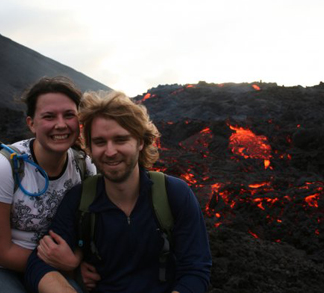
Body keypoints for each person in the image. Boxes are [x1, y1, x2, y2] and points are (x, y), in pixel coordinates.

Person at [25, 91, 212, 293]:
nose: (111, 151)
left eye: (120, 139)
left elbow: (195, 270)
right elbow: (39, 263)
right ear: (89, 147)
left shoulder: (173, 194)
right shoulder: (80, 200)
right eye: (100, 142)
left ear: (140, 142)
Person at [0, 76, 97, 293]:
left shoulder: (85, 167)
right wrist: (67, 266)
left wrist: (77, 258)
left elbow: (89, 228)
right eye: (49, 116)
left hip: (54, 266)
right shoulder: (4, 166)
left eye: (69, 115)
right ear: (31, 123)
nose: (61, 124)